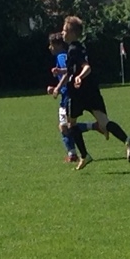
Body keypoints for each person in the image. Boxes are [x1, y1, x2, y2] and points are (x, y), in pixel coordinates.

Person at [60, 15, 130, 171]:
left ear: (72, 33)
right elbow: (72, 70)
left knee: (71, 124)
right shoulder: (81, 47)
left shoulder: (73, 49)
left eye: (64, 30)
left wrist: (79, 77)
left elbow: (86, 67)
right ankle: (126, 139)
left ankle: (84, 155)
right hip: (92, 91)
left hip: (78, 93)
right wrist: (60, 81)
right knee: (104, 122)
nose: (62, 33)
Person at [47, 33, 94, 164]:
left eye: (51, 45)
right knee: (66, 126)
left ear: (57, 45)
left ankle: (74, 153)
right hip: (66, 94)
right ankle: (72, 153)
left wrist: (57, 88)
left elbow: (68, 73)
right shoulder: (62, 55)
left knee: (65, 126)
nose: (49, 48)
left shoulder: (61, 56)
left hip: (68, 95)